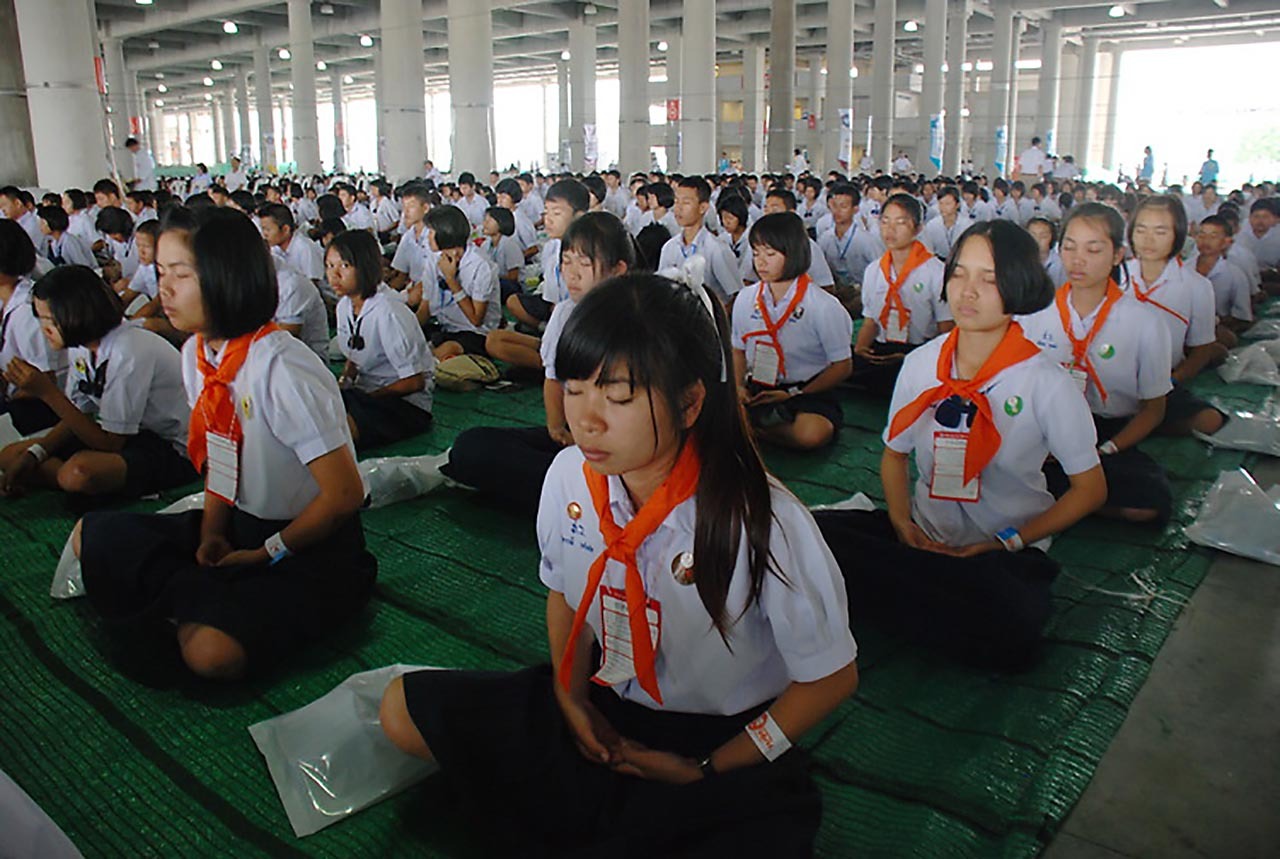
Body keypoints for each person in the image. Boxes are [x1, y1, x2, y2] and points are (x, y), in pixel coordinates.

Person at [379, 273, 859, 857]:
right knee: (402, 711)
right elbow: (565, 598)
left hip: (717, 741)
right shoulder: (568, 477)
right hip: (607, 703)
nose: (587, 420)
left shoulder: (762, 519)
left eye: (620, 396)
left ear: (689, 403)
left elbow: (832, 676)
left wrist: (708, 767)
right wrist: (571, 700)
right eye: (576, 389)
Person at [68, 206, 376, 680]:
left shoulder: (282, 368)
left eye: (181, 274)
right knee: (94, 536)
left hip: (308, 546)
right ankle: (202, 599)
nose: (163, 289)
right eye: (159, 272)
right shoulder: (197, 354)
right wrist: (213, 530)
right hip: (241, 524)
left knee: (212, 655)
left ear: (225, 277)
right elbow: (221, 451)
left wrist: (266, 551)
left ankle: (201, 606)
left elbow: (344, 495)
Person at [815, 220, 1106, 671]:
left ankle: (912, 597)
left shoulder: (1045, 381)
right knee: (815, 541)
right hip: (922, 534)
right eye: (959, 274)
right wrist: (900, 521)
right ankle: (925, 593)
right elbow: (894, 456)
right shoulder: (921, 364)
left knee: (1013, 626)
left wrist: (1009, 542)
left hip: (1003, 548)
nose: (968, 292)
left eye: (989, 280)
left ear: (1019, 286)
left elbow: (1091, 490)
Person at [446, 213, 634, 512]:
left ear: (618, 270)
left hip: (625, 449)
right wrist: (558, 430)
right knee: (471, 446)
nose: (571, 274)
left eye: (584, 264)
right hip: (577, 438)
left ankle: (587, 494)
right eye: (567, 261)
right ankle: (575, 491)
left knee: (611, 481)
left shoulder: (638, 321)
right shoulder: (564, 313)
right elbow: (553, 378)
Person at [1017, 203, 1173, 524]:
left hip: (1106, 432)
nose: (1077, 259)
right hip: (1045, 427)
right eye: (1070, 247)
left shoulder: (1145, 322)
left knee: (1149, 502)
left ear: (1117, 255)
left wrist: (1108, 450)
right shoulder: (1035, 312)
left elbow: (1153, 408)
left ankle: (1067, 498)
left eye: (1093, 249)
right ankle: (1069, 495)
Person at [0, 265, 193, 500]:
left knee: (78, 473)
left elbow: (111, 443)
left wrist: (47, 393)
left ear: (77, 314)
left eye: (49, 320)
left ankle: (82, 482)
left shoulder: (129, 350)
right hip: (128, 436)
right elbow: (80, 412)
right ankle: (83, 482)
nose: (44, 330)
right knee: (12, 455)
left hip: (172, 446)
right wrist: (34, 455)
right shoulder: (81, 346)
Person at [732, 213, 853, 450]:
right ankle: (751, 427)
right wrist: (738, 388)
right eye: (756, 253)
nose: (761, 262)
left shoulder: (823, 305)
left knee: (811, 434)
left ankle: (750, 430)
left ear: (794, 253)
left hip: (807, 389)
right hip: (758, 386)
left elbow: (842, 366)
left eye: (770, 254)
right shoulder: (746, 298)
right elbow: (737, 350)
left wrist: (796, 393)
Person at [1123, 196, 1225, 436]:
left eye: (1160, 231)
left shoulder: (1196, 286)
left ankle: (1148, 423)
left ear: (1178, 234)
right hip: (1109, 378)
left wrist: (1175, 378)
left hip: (1162, 381)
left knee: (1209, 421)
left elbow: (1202, 348)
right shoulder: (1114, 275)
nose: (1148, 240)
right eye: (1141, 230)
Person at [331, 230, 435, 450]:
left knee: (335, 435)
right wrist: (344, 384)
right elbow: (353, 358)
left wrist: (367, 397)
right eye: (330, 266)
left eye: (344, 266)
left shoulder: (389, 312)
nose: (334, 275)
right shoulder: (344, 307)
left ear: (365, 267)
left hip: (405, 406)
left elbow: (415, 382)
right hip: (367, 394)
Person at [852, 193, 952, 396]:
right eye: (885, 221)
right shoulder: (874, 270)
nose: (890, 230)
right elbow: (870, 321)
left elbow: (946, 330)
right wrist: (862, 348)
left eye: (900, 223)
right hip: (881, 348)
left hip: (918, 350)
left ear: (917, 228)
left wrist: (914, 357)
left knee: (916, 376)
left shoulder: (936, 271)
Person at [0, 222, 66, 435]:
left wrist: (8, 395)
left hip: (38, 409)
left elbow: (46, 380)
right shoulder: (7, 301)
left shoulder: (28, 311)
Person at [415, 205, 502, 360]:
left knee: (446, 350)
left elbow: (476, 320)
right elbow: (425, 307)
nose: (427, 237)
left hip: (475, 333)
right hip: (445, 327)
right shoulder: (434, 259)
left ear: (445, 233)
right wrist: (410, 330)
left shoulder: (480, 265)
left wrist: (451, 280)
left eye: (431, 232)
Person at [507, 179, 589, 331]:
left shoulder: (591, 253)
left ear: (579, 216)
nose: (548, 220)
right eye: (546, 212)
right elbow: (554, 304)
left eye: (556, 213)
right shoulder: (551, 250)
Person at [657, 177, 743, 303]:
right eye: (676, 202)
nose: (678, 208)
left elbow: (735, 295)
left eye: (686, 203)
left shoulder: (716, 249)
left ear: (703, 207)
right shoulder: (669, 247)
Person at [1191, 214, 1252, 345]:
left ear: (1226, 242)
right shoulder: (1183, 269)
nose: (1205, 241)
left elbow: (1243, 318)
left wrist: (1215, 321)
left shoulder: (1235, 274)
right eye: (1201, 235)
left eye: (1213, 237)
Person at [817, 183, 880, 289]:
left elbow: (879, 270)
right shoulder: (825, 238)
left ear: (855, 209)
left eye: (843, 207)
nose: (837, 211)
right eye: (834, 206)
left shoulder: (866, 240)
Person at [920, 186, 972, 260]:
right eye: (941, 203)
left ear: (957, 205)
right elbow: (928, 249)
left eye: (948, 204)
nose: (943, 207)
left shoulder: (967, 225)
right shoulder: (932, 225)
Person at [1026, 217, 1067, 286]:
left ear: (1052, 238)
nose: (1037, 240)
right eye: (1032, 235)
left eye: (1043, 236)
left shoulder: (1061, 264)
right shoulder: (1019, 261)